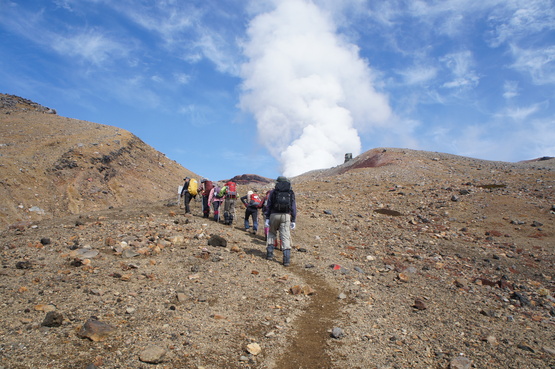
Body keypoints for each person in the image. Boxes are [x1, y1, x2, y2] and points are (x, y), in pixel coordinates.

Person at [264, 176, 297, 266]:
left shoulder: (273, 192)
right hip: (286, 216)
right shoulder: (290, 192)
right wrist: (293, 219)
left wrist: (267, 218)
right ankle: (286, 260)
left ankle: (269, 254)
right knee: (285, 236)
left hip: (273, 215)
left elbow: (269, 205)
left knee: (272, 233)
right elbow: (293, 207)